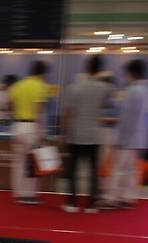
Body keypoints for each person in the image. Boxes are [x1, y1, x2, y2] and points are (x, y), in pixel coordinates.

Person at [60, 55, 113, 213]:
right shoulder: (104, 88)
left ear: (86, 68)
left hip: (76, 134)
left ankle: (72, 203)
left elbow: (67, 113)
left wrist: (63, 133)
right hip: (94, 135)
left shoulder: (74, 87)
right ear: (100, 69)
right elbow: (105, 104)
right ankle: (91, 204)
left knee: (73, 170)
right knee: (93, 171)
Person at [101, 59, 148, 209]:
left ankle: (111, 198)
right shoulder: (147, 90)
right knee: (132, 170)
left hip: (127, 138)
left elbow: (126, 118)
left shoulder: (132, 91)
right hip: (140, 138)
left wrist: (119, 139)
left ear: (132, 73)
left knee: (118, 169)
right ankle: (128, 197)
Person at [8, 61, 49, 205]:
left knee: (18, 162)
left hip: (17, 125)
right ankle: (29, 194)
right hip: (31, 127)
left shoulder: (18, 85)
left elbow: (9, 104)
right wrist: (41, 132)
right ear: (43, 73)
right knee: (32, 161)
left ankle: (18, 193)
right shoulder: (40, 86)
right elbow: (39, 111)